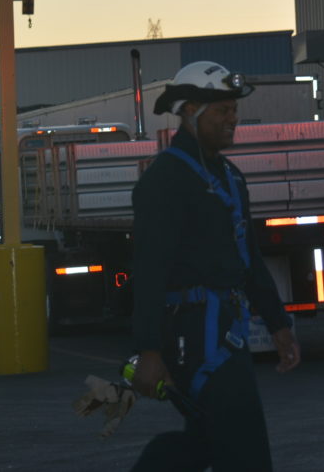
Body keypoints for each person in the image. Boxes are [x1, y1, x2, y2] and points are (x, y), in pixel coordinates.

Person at [129, 61, 301, 472]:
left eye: (233, 110)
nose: (233, 118)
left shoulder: (230, 177)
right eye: (222, 110)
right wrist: (148, 350)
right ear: (191, 112)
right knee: (244, 447)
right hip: (192, 335)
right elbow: (149, 269)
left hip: (228, 329)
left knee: (208, 441)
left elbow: (249, 257)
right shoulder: (164, 180)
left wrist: (279, 325)